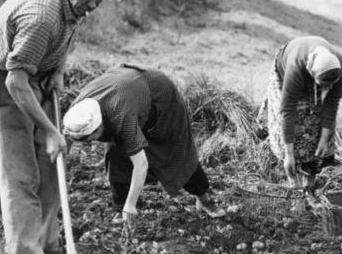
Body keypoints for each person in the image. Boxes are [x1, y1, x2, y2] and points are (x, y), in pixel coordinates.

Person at [0, 0, 114, 254]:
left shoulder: (74, 0)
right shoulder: (41, 17)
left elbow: (67, 30)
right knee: (21, 174)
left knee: (51, 164)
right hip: (5, 83)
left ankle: (47, 245)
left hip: (35, 74)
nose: (93, 5)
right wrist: (52, 130)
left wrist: (58, 69)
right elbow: (14, 81)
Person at [62, 64, 226, 222]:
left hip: (160, 97)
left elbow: (141, 164)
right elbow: (65, 142)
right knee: (116, 156)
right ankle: (121, 208)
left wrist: (132, 206)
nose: (87, 143)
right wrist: (59, 176)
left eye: (88, 139)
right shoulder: (78, 110)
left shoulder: (122, 118)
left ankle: (205, 199)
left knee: (176, 154)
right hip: (128, 93)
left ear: (98, 128)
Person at [260, 35, 342, 187]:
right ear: (312, 75)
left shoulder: (338, 69)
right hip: (287, 70)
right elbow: (288, 110)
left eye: (329, 86)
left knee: (316, 121)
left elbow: (331, 104)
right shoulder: (295, 68)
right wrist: (289, 154)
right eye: (323, 85)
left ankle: (309, 183)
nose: (327, 90)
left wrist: (323, 139)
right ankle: (295, 182)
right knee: (296, 122)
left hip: (317, 73)